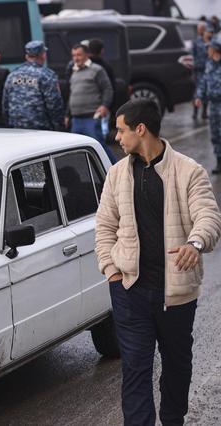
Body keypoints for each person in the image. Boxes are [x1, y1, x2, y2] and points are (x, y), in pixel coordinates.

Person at [95, 99, 221, 425]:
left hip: (176, 294)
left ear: (141, 129)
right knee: (135, 368)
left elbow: (208, 216)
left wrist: (195, 242)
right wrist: (111, 272)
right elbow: (105, 227)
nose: (117, 137)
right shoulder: (117, 174)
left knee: (177, 364)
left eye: (121, 130)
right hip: (130, 290)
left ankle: (173, 419)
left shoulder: (189, 171)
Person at [66, 43, 116, 163]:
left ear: (87, 55)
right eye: (73, 55)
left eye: (79, 55)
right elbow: (72, 94)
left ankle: (115, 167)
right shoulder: (74, 70)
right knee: (76, 149)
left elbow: (108, 89)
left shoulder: (97, 70)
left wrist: (104, 105)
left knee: (98, 145)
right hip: (76, 119)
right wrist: (67, 114)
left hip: (91, 117)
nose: (75, 58)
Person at [3, 40, 65, 131]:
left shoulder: (13, 75)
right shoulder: (46, 75)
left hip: (17, 129)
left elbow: (5, 103)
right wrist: (59, 125)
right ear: (42, 55)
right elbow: (54, 104)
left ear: (27, 56)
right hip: (41, 129)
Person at [195, 39, 221, 174]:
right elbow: (204, 81)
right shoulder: (209, 64)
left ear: (216, 50)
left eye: (210, 48)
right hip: (213, 106)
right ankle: (219, 162)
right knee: (215, 134)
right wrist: (199, 96)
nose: (208, 51)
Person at [192, 23, 213, 120]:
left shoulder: (211, 42)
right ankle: (195, 112)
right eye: (199, 28)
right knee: (197, 93)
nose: (201, 30)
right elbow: (192, 55)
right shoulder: (196, 41)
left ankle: (204, 112)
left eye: (203, 28)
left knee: (206, 93)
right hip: (198, 70)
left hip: (208, 71)